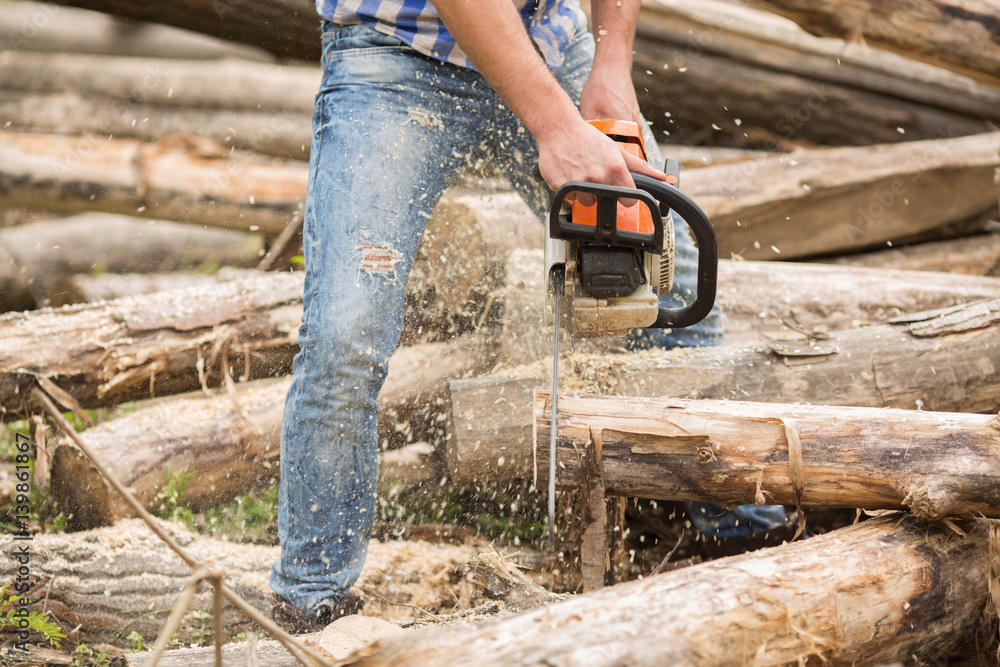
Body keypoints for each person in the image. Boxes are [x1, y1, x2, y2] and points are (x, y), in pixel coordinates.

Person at [269, 0, 786, 632]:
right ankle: (310, 601)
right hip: (397, 52)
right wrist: (557, 127)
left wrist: (611, 63)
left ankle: (744, 544)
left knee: (671, 284)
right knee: (345, 333)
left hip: (552, 38)